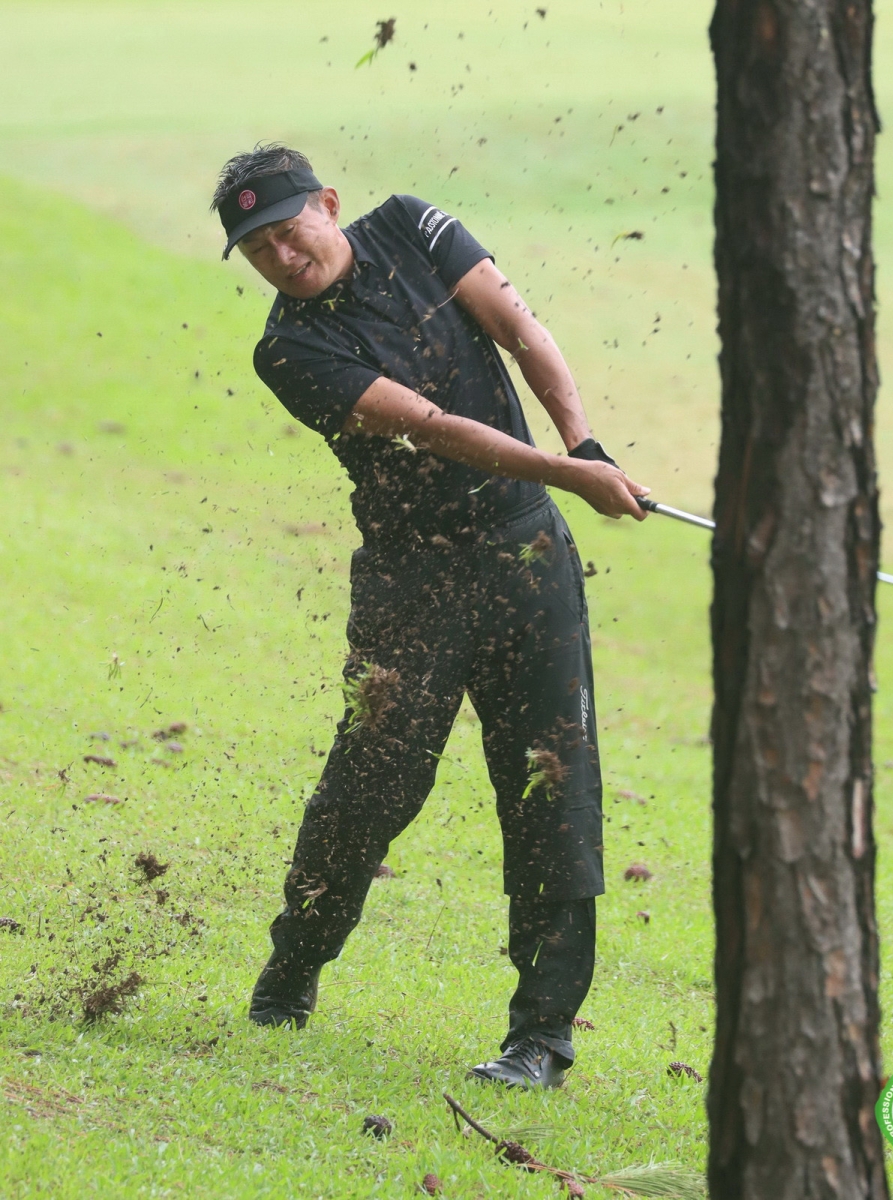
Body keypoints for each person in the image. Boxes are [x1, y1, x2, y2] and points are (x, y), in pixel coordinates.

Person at [210, 143, 648, 1088]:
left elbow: (523, 332)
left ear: (329, 205)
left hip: (528, 555)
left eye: (290, 233)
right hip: (412, 578)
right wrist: (573, 475)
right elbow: (434, 428)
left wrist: (586, 440)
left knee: (551, 780)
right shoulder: (287, 349)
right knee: (372, 782)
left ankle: (541, 1038)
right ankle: (292, 971)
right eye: (260, 252)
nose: (284, 259)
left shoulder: (412, 225)